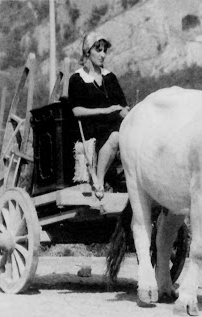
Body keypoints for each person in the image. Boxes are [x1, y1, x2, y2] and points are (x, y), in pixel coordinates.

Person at [68, 32, 129, 197]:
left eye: (104, 51)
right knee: (115, 136)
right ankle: (99, 181)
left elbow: (122, 107)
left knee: (126, 133)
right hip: (90, 127)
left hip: (111, 123)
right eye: (98, 50)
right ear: (88, 52)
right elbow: (76, 110)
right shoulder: (77, 79)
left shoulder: (110, 77)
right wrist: (106, 110)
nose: (103, 55)